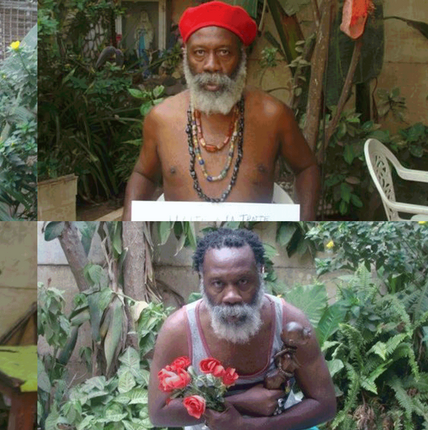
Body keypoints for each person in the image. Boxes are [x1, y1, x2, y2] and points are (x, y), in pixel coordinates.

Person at [123, 1, 319, 221]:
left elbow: (306, 168)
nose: (211, 65)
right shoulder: (161, 118)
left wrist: (306, 225)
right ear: (185, 55)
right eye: (199, 53)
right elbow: (143, 175)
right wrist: (128, 226)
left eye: (224, 52)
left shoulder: (274, 115)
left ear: (242, 56)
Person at [147, 229, 336, 430]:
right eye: (218, 283)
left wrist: (247, 426)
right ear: (202, 279)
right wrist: (240, 402)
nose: (231, 296)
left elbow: (324, 404)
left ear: (261, 272)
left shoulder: (289, 322)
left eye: (243, 281)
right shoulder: (180, 330)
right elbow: (158, 413)